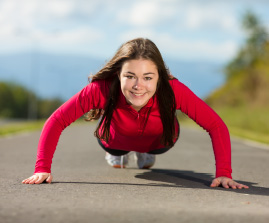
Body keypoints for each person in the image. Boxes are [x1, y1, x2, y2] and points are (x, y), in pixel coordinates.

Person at [22, 38, 249, 189]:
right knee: (117, 147)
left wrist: (224, 173)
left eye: (148, 77)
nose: (138, 85)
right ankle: (121, 155)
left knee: (155, 145)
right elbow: (57, 119)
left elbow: (216, 125)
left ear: (159, 76)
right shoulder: (101, 88)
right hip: (115, 140)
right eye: (130, 76)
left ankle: (145, 154)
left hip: (159, 141)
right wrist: (42, 168)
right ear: (118, 73)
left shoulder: (172, 89)